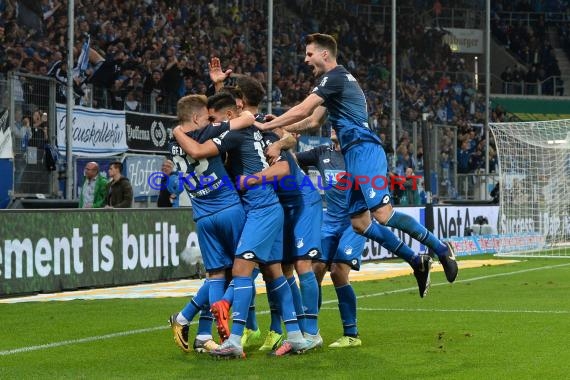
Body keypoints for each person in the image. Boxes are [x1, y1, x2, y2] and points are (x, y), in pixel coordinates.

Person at [256, 33, 458, 297]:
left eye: (309, 54)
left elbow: (304, 109)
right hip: (353, 157)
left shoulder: (335, 77)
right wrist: (283, 126)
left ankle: (441, 249)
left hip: (365, 150)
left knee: (383, 214)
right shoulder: (334, 85)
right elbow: (313, 122)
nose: (306, 60)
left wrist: (267, 125)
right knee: (361, 223)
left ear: (324, 54)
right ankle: (416, 260)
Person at [172, 92, 313, 358]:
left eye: (213, 119)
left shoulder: (236, 133)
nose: (210, 124)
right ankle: (295, 335)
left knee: (239, 270)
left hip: (262, 209)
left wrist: (177, 131)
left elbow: (282, 168)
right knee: (273, 272)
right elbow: (283, 137)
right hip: (265, 209)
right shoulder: (254, 126)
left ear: (227, 116)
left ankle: (234, 339)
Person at [167, 94, 253, 354]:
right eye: (207, 116)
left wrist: (176, 130)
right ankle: (218, 327)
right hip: (228, 209)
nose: (211, 119)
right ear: (196, 118)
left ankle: (207, 335)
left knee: (216, 274)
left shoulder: (174, 143)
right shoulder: (207, 132)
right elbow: (244, 119)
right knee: (250, 263)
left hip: (203, 217)